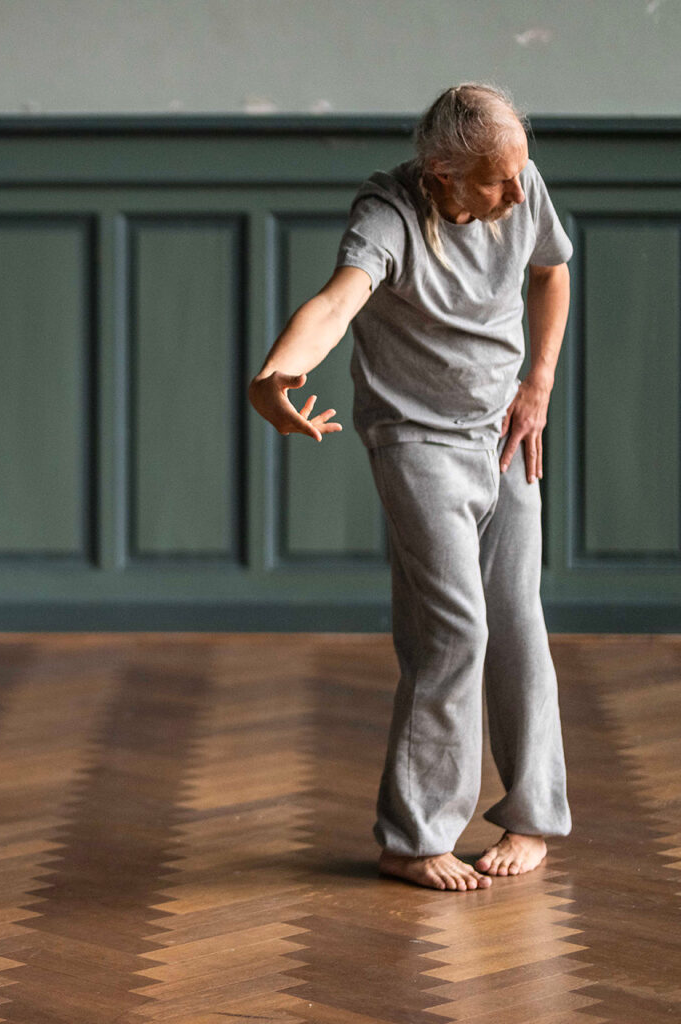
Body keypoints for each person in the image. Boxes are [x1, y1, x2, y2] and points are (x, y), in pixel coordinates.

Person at [247, 83, 572, 892]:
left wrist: (540, 380)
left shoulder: (520, 186)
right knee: (455, 630)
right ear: (441, 171)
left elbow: (551, 272)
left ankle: (532, 817)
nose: (515, 191)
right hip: (416, 442)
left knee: (518, 622)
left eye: (518, 173)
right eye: (496, 179)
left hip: (504, 431)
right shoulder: (388, 213)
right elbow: (336, 301)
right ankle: (413, 836)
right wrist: (275, 376)